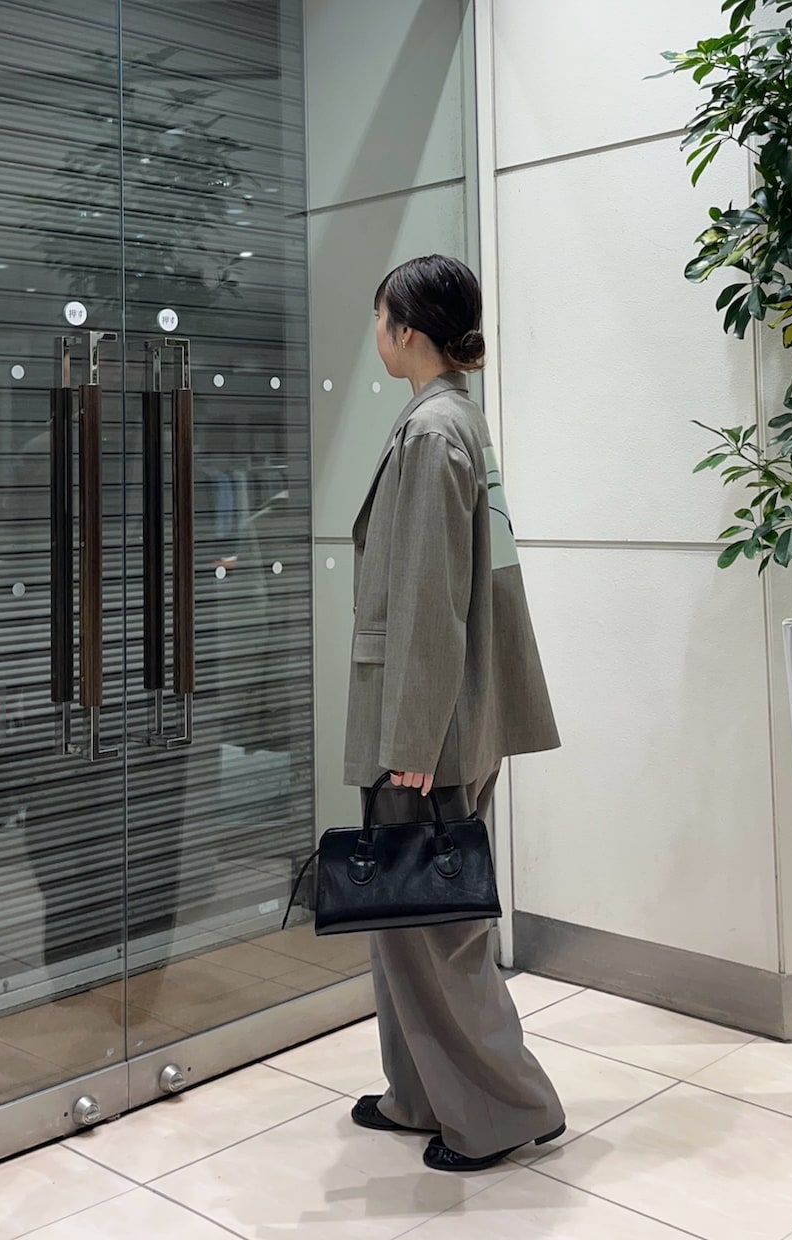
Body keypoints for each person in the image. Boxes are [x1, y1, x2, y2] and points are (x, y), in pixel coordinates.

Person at [343, 254, 565, 1172]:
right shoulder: (453, 417)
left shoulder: (434, 431)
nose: (377, 331)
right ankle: (423, 1095)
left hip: (428, 722)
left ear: (407, 328)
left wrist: (413, 738)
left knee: (440, 932)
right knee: (409, 922)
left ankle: (509, 1108)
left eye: (380, 316)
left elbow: (433, 599)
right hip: (448, 710)